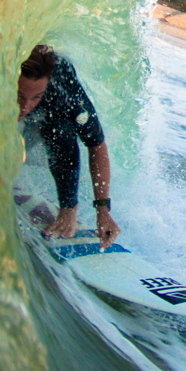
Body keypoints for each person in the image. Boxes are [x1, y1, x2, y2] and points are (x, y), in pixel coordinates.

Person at [17, 44, 121, 247]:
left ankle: (68, 210)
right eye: (20, 95)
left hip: (42, 124)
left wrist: (103, 211)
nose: (25, 106)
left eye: (35, 97)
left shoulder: (63, 88)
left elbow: (96, 145)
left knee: (61, 127)